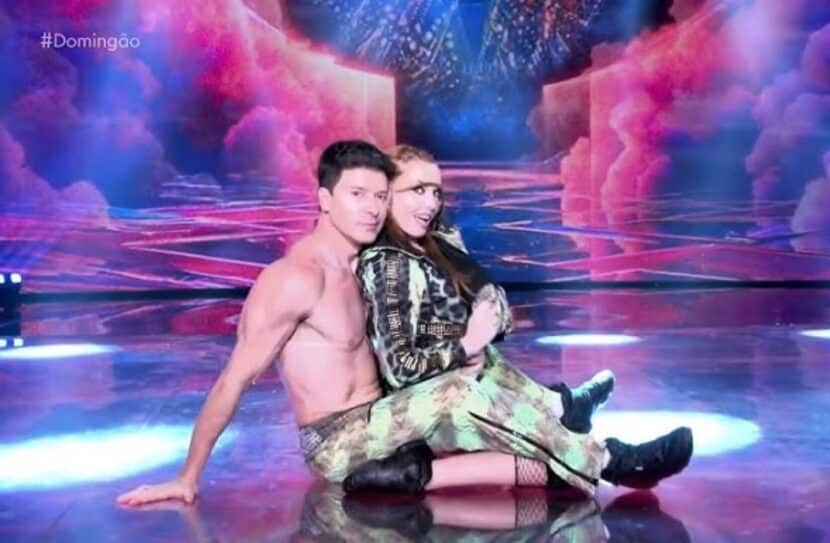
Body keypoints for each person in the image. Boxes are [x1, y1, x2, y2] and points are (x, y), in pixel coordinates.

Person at [114, 140, 641, 507]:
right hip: (338, 439)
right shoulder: (294, 279)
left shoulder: (370, 262)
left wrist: (470, 334)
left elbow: (421, 329)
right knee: (456, 388)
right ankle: (610, 460)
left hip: (391, 418)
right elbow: (234, 379)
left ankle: (561, 424)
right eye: (357, 195)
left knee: (480, 374)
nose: (371, 208)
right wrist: (188, 476)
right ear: (324, 200)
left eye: (380, 196)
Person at [342, 144, 694, 495]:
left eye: (436, 192)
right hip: (420, 411)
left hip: (446, 388)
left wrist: (470, 331)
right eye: (418, 190)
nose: (431, 203)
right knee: (468, 388)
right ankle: (612, 461)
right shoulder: (389, 266)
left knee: (486, 362)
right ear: (385, 194)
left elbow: (460, 309)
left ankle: (563, 409)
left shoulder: (425, 245)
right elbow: (401, 367)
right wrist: (464, 345)